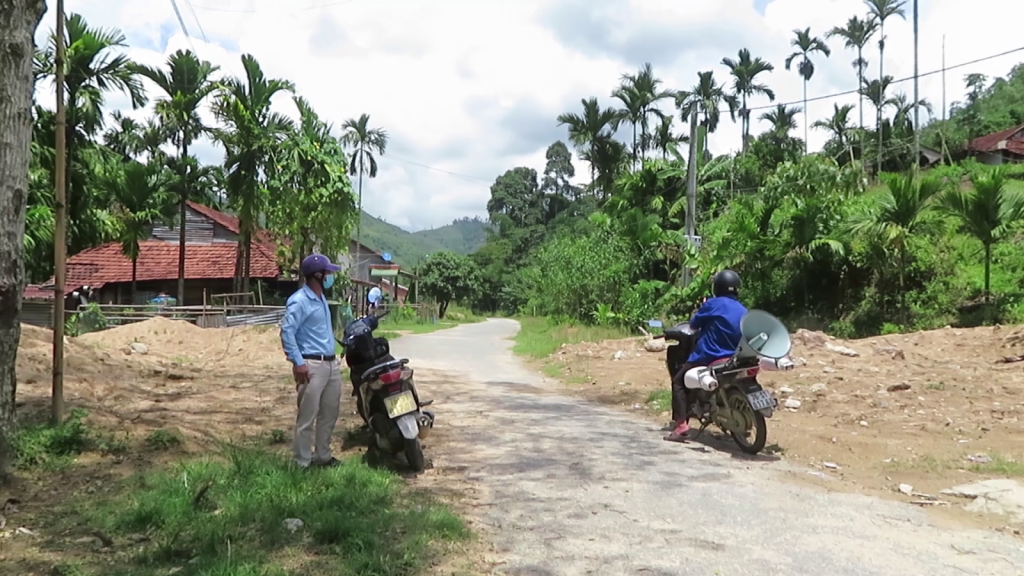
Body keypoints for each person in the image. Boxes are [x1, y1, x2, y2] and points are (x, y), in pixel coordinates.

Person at [665, 269, 747, 443]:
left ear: (717, 287)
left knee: (678, 382)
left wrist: (703, 306)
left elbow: (693, 325)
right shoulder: (743, 309)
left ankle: (681, 426)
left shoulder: (712, 304)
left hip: (710, 355)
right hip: (736, 357)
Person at [280, 254, 344, 468]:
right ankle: (302, 462)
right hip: (311, 365)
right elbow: (287, 332)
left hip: (330, 364)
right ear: (318, 275)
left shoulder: (321, 298)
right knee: (307, 417)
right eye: (328, 272)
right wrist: (298, 362)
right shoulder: (300, 301)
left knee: (329, 413)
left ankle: (323, 456)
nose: (331, 276)